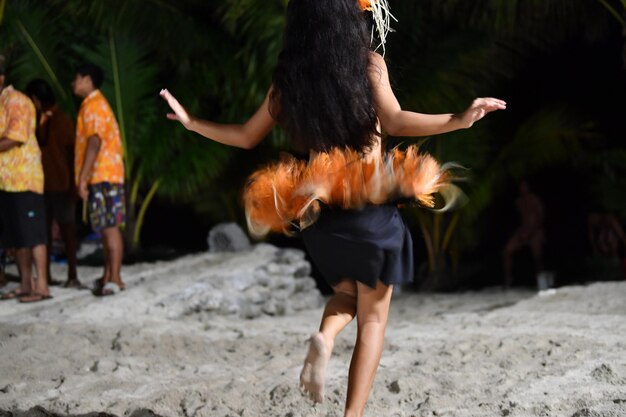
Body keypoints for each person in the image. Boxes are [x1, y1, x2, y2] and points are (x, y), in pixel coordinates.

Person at [161, 1, 505, 415]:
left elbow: (246, 136)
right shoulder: (369, 65)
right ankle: (352, 414)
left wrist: (192, 122)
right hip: (371, 212)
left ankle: (325, 336)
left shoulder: (290, 81)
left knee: (345, 293)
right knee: (373, 319)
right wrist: (458, 118)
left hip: (322, 218)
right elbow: (396, 121)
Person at [0, 54, 51, 303]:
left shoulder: (16, 101)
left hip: (25, 179)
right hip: (6, 182)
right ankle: (24, 285)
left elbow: (15, 137)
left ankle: (41, 287)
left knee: (33, 235)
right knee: (17, 237)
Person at [72, 63, 126, 296]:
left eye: (76, 78)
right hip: (105, 175)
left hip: (104, 175)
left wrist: (82, 179)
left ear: (87, 80)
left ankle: (115, 278)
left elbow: (94, 143)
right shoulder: (93, 104)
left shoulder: (94, 105)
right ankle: (107, 275)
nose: (73, 83)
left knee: (110, 228)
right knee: (105, 228)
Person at [26, 78, 82, 288]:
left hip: (62, 183)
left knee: (67, 230)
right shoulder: (36, 120)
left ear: (36, 99)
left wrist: (74, 185)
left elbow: (71, 154)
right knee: (44, 231)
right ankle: (45, 276)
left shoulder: (61, 120)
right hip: (41, 184)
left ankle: (73, 274)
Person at [502, 180, 545, 287]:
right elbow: (518, 220)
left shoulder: (534, 199)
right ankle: (508, 279)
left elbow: (541, 217)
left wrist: (533, 231)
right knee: (507, 251)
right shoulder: (518, 202)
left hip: (535, 230)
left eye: (524, 186)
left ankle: (541, 278)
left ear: (528, 187)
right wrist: (521, 233)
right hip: (523, 231)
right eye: (521, 186)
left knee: (536, 250)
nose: (523, 188)